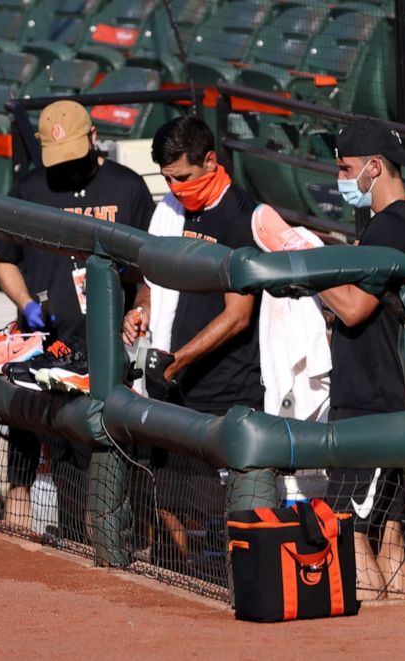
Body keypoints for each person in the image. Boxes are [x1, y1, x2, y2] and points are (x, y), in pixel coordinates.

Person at [0, 100, 155, 530]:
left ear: (94, 138)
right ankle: (28, 515)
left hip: (106, 346)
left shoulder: (127, 188)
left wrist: (140, 307)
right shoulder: (30, 188)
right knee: (26, 428)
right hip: (43, 341)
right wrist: (25, 305)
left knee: (98, 449)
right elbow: (4, 258)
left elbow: (153, 267)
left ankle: (103, 534)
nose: (67, 167)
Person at [122, 116, 265, 562]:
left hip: (225, 385)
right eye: (167, 178)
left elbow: (239, 316)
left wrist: (178, 359)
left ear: (210, 161)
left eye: (182, 177)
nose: (175, 186)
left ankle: (224, 581)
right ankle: (189, 576)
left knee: (221, 509)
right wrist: (140, 309)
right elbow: (150, 278)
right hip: (173, 380)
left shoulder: (241, 218)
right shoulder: (168, 210)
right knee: (165, 496)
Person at [319, 118, 405, 600]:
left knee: (350, 526)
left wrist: (307, 258)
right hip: (384, 396)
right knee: (387, 531)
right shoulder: (392, 223)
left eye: (345, 169)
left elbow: (353, 306)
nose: (340, 179)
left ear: (374, 167)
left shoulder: (390, 226)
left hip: (373, 401)